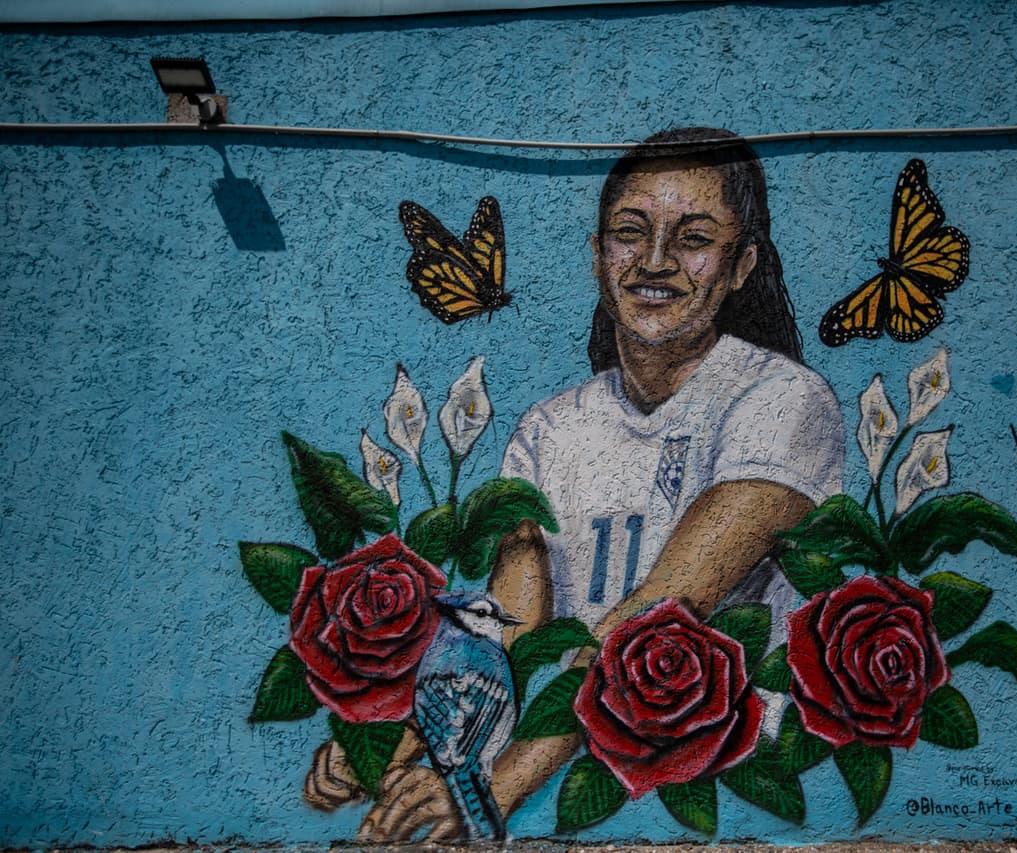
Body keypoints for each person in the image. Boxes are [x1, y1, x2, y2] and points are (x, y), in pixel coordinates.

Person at [307, 127, 846, 841]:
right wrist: (393, 745)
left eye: (693, 238)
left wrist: (484, 795)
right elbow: (512, 635)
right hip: (561, 787)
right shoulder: (548, 429)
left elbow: (650, 620)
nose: (655, 262)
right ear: (597, 254)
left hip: (717, 805)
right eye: (630, 232)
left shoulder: (784, 401)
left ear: (742, 263)